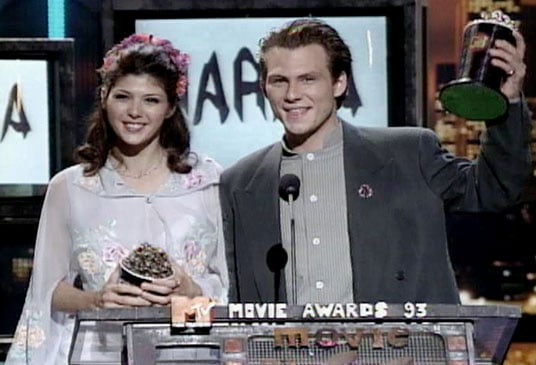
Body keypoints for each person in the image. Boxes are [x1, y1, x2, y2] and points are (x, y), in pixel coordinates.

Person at [220, 18, 532, 305]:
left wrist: (508, 104)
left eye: (308, 79)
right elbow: (237, 293)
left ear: (339, 83)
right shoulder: (242, 182)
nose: (292, 94)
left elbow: (497, 190)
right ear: (263, 88)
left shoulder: (409, 154)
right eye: (279, 81)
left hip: (398, 352)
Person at [6, 34, 228, 364]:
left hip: (191, 351)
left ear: (169, 108)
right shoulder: (71, 187)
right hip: (102, 353)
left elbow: (232, 286)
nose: (135, 112)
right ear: (104, 96)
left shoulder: (209, 182)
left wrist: (191, 293)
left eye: (151, 100)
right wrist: (97, 300)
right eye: (123, 96)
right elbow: (48, 292)